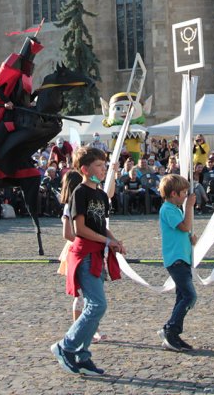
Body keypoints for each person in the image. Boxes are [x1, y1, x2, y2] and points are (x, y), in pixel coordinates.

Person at [51, 146, 122, 377]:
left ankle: (82, 355)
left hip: (97, 254)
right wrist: (106, 241)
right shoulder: (79, 193)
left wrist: (114, 240)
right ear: (85, 169)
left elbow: (101, 225)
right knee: (97, 305)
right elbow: (80, 229)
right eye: (99, 166)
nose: (103, 169)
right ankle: (67, 346)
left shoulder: (101, 195)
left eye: (104, 165)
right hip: (84, 255)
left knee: (97, 307)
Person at [158, 173, 198, 352]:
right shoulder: (167, 209)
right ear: (173, 194)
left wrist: (190, 238)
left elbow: (184, 230)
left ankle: (172, 331)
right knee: (190, 296)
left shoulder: (175, 209)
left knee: (182, 296)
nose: (185, 196)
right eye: (183, 193)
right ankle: (171, 329)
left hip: (183, 257)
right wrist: (189, 207)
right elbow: (184, 226)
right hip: (176, 259)